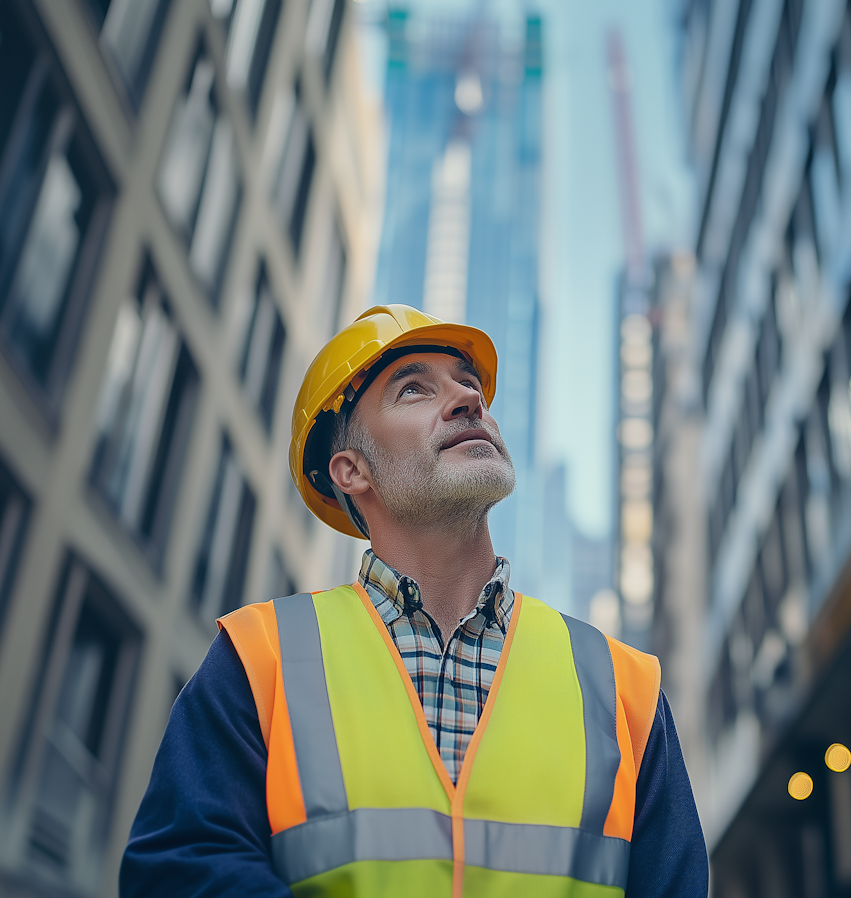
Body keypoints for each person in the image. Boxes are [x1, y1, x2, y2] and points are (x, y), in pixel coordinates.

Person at [120, 306, 708, 897]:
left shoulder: (623, 690)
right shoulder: (259, 659)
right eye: (414, 390)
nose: (467, 400)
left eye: (468, 385)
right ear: (351, 471)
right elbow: (177, 871)